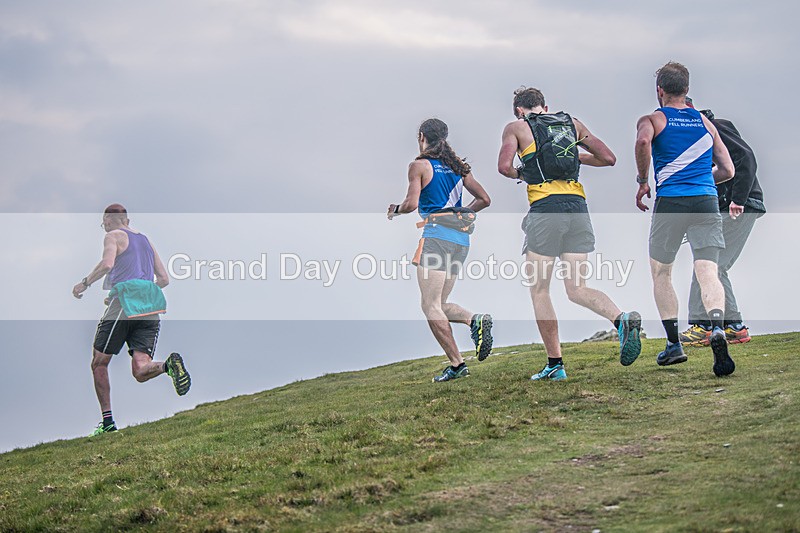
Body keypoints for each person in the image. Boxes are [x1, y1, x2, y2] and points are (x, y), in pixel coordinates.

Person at [498, 87, 642, 381]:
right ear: (545, 106)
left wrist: (524, 173)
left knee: (540, 290)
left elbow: (503, 168)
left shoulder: (516, 128)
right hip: (578, 207)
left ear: (518, 110)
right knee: (577, 288)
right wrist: (574, 158)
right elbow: (608, 158)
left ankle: (555, 364)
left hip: (545, 208)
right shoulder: (572, 124)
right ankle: (620, 319)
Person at [634, 62, 737, 376]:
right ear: (687, 90)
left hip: (671, 201)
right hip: (706, 201)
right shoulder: (706, 124)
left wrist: (642, 181)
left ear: (659, 90)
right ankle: (717, 328)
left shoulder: (653, 119)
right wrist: (703, 180)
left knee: (661, 272)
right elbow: (729, 170)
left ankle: (673, 345)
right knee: (708, 270)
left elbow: (642, 143)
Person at [388, 118, 492, 382]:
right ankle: (474, 320)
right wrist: (459, 213)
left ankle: (457, 365)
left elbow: (411, 204)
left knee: (430, 305)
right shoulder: (458, 168)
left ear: (422, 136)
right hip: (460, 241)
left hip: (436, 237)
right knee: (441, 304)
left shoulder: (419, 166)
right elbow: (484, 199)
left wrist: (396, 210)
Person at [72, 203, 191, 436]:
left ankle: (107, 423)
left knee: (99, 362)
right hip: (151, 306)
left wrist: (84, 283)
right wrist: (140, 294)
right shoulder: (146, 241)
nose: (104, 226)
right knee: (140, 370)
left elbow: (107, 264)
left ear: (108, 219)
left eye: (103, 222)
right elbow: (164, 279)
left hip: (124, 307)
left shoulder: (113, 236)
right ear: (127, 219)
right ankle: (168, 365)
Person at [679, 97, 765, 346]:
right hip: (724, 208)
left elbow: (746, 158)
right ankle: (731, 326)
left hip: (739, 207)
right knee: (710, 265)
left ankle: (708, 326)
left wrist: (738, 199)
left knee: (710, 265)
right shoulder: (694, 139)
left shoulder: (715, 125)